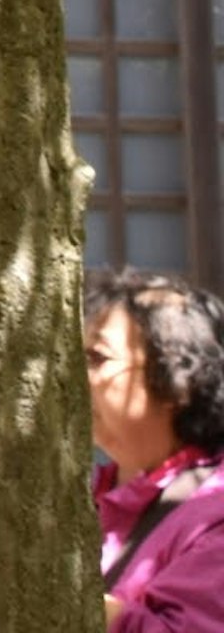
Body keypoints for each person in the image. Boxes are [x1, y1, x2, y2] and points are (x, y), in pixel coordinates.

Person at [92, 267, 224, 624]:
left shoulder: (215, 510)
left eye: (97, 358)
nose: (73, 375)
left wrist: (48, 589)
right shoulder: (92, 498)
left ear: (176, 378)